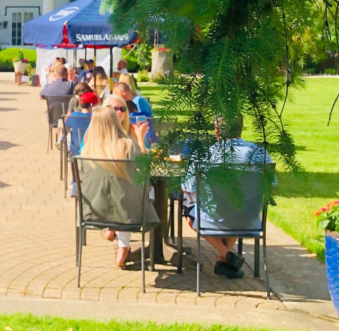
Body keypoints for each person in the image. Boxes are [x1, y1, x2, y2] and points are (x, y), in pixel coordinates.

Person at [181, 115, 276, 279]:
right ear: (241, 128)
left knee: (191, 215)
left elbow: (188, 187)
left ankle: (225, 253)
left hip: (214, 216)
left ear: (216, 130)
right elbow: (271, 186)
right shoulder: (260, 153)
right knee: (236, 207)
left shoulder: (205, 154)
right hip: (248, 217)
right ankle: (225, 259)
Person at [79, 106, 160, 268]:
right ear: (116, 123)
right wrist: (140, 138)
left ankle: (118, 240)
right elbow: (145, 169)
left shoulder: (87, 151)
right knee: (127, 194)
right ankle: (123, 246)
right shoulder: (128, 146)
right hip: (128, 212)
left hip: (93, 212)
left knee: (119, 193)